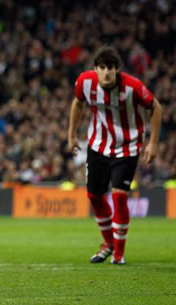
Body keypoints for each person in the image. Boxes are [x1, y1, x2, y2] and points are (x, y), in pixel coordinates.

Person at [68, 46, 162, 265]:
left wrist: (154, 143)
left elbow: (156, 108)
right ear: (95, 69)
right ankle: (108, 243)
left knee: (119, 195)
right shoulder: (85, 82)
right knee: (94, 195)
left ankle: (119, 252)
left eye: (111, 68)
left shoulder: (132, 86)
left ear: (117, 70)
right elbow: (78, 103)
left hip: (127, 146)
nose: (107, 72)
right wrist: (71, 134)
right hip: (98, 145)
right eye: (102, 68)